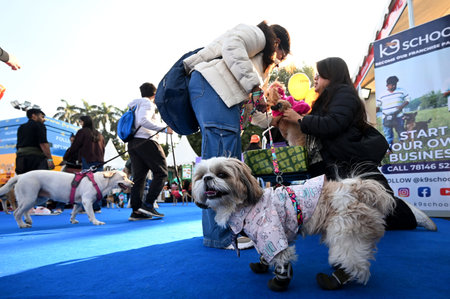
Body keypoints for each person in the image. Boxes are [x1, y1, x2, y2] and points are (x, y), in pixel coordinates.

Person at [281, 57, 436, 231]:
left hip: (349, 158)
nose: (315, 78)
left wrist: (300, 119)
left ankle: (410, 213)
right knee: (354, 206)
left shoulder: (344, 94)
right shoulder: (324, 100)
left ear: (332, 76)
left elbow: (333, 124)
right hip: (331, 162)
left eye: (320, 74)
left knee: (381, 202)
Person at [183, 21, 291, 249]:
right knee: (220, 165)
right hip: (213, 90)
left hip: (218, 95)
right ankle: (220, 235)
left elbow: (250, 114)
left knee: (225, 161)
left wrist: (275, 117)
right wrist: (255, 87)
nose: (278, 63)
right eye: (281, 57)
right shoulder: (258, 35)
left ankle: (225, 231)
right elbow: (232, 46)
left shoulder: (249, 69)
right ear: (277, 42)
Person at [127, 82, 173, 221]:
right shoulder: (148, 103)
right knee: (162, 173)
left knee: (139, 178)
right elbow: (143, 121)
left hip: (134, 142)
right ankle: (148, 205)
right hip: (147, 141)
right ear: (155, 93)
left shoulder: (135, 105)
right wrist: (164, 129)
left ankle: (137, 211)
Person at [15, 108, 55, 212]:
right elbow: (43, 143)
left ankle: (26, 209)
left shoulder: (21, 127)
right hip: (36, 159)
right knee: (42, 183)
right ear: (34, 115)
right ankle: (41, 208)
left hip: (21, 159)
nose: (43, 119)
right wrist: (50, 159)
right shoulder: (39, 125)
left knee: (24, 183)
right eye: (42, 116)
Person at [64, 115, 105, 212]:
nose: (80, 124)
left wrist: (66, 157)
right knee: (98, 184)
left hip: (88, 160)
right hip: (100, 161)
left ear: (84, 122)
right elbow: (103, 148)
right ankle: (96, 207)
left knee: (87, 184)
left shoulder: (82, 132)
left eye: (80, 122)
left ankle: (87, 207)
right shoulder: (99, 134)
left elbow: (75, 146)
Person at [376, 76, 410, 147]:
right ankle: (389, 149)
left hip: (399, 116)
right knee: (388, 135)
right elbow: (377, 106)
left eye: (395, 84)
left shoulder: (402, 90)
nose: (394, 86)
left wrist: (401, 106)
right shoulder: (382, 94)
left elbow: (408, 100)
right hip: (386, 117)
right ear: (387, 85)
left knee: (401, 132)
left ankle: (402, 147)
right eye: (392, 84)